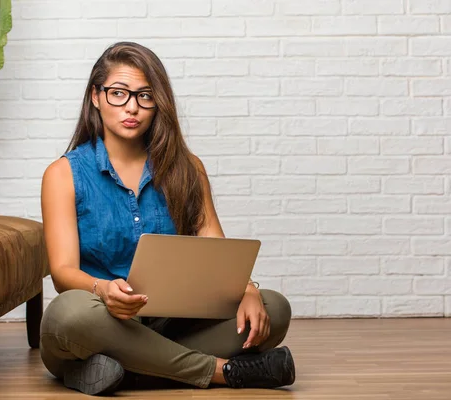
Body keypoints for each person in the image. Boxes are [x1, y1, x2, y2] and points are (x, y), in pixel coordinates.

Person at [39, 41, 295, 396]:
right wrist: (103, 289)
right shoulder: (63, 173)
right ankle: (221, 372)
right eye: (118, 93)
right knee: (69, 313)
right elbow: (63, 273)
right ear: (95, 97)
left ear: (158, 103)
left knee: (274, 308)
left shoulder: (188, 168)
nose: (132, 107)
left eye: (145, 96)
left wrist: (248, 289)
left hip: (171, 324)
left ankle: (126, 370)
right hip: (100, 321)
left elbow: (215, 249)